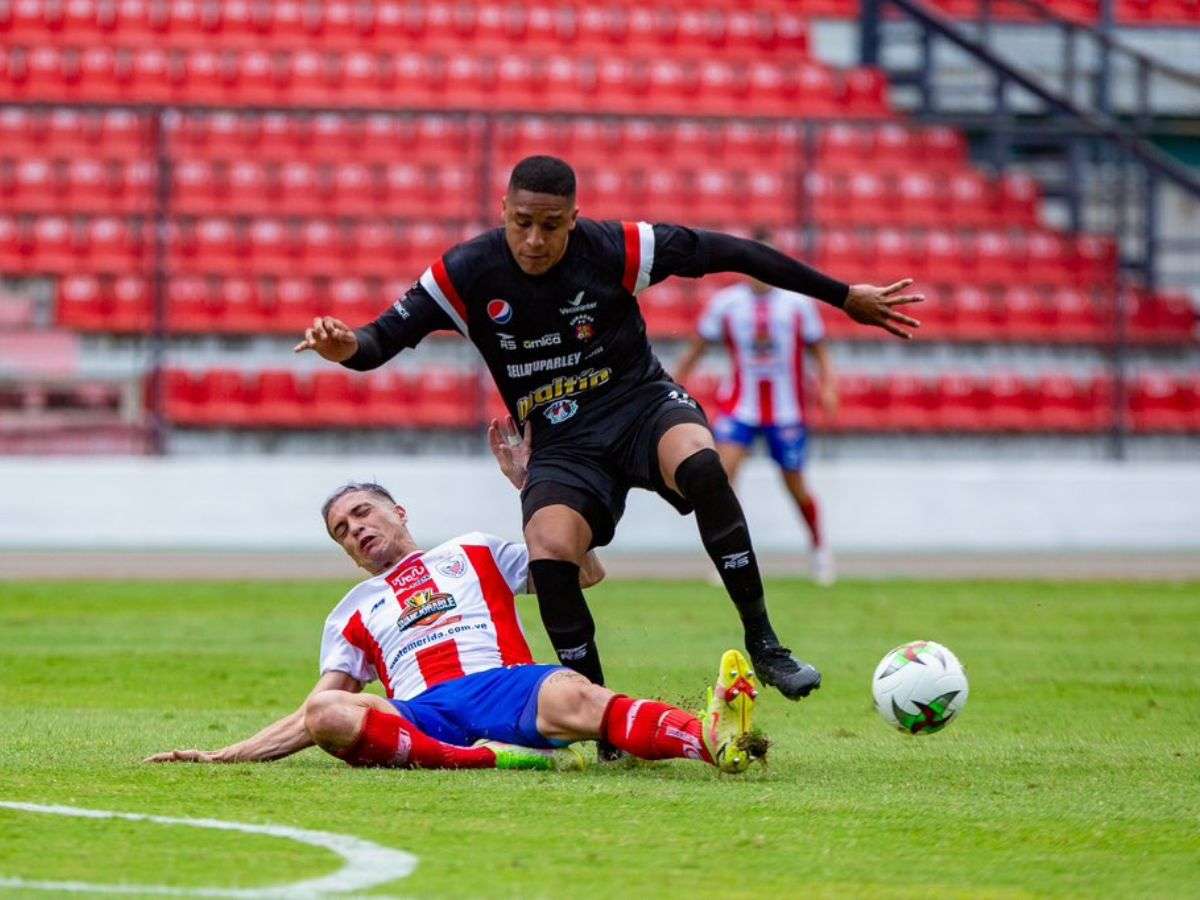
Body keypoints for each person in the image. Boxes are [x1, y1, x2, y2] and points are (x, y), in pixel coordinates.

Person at [294, 155, 921, 724]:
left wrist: (843, 296)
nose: (535, 240)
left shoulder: (616, 247)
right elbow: (377, 342)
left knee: (704, 467)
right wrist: (343, 344)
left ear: (574, 218)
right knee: (549, 548)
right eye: (521, 223)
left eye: (551, 224)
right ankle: (600, 715)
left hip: (640, 406)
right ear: (502, 213)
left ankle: (765, 643)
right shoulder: (464, 274)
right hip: (562, 442)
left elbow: (728, 251)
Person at [145, 482, 765, 774]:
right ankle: (484, 761)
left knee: (575, 691)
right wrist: (227, 754)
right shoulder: (354, 607)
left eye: (363, 513)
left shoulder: (474, 549)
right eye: (342, 529)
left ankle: (709, 739)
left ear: (398, 512)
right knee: (332, 713)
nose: (356, 529)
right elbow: (318, 709)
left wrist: (535, 491)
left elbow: (585, 572)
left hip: (505, 686)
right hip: (421, 716)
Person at [674, 229, 839, 586]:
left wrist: (828, 386)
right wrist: (677, 380)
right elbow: (698, 347)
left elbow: (819, 351)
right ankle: (730, 557)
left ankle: (819, 548)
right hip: (740, 407)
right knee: (722, 477)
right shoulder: (727, 303)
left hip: (787, 411)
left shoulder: (798, 304)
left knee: (795, 485)